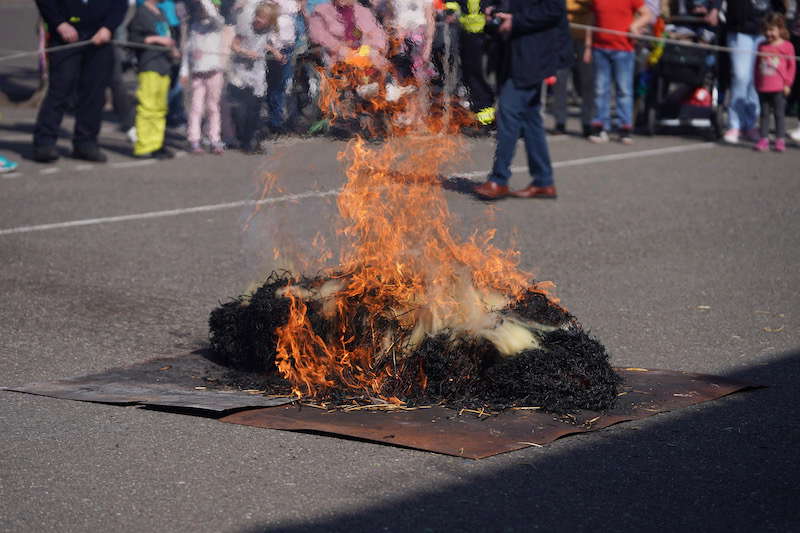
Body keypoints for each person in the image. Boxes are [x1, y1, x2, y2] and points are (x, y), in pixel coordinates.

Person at [473, 0, 573, 200]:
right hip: (511, 52)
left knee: (508, 112)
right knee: (531, 119)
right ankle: (543, 181)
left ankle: (499, 179)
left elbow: (553, 9)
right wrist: (491, 9)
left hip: (533, 54)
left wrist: (516, 20)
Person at [32, 0, 128, 163]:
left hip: (100, 38)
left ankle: (86, 143)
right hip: (66, 37)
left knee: (94, 93)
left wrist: (108, 27)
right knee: (60, 90)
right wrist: (59, 23)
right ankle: (44, 143)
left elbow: (120, 4)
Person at [585, 0, 652, 144]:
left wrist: (635, 25)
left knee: (624, 90)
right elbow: (591, 20)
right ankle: (600, 126)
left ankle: (625, 128)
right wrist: (588, 45)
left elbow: (647, 14)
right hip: (600, 49)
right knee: (601, 89)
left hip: (623, 50)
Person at [721, 0, 785, 144]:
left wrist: (776, 24)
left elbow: (780, 6)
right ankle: (735, 124)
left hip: (765, 32)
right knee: (741, 76)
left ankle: (751, 124)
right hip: (740, 31)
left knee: (759, 77)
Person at [129, 0, 180, 158]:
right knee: (147, 106)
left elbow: (167, 35)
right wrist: (154, 40)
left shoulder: (161, 12)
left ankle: (157, 144)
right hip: (149, 65)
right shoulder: (141, 13)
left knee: (160, 108)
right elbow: (132, 38)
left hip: (164, 65)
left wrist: (172, 48)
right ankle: (144, 146)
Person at [180, 0, 227, 154]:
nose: (201, 10)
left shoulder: (216, 24)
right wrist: (184, 71)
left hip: (214, 72)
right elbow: (188, 51)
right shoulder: (194, 26)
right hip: (198, 73)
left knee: (213, 107)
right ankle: (194, 139)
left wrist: (206, 2)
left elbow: (214, 16)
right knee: (196, 107)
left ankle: (214, 139)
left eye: (203, 8)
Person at [228, 0, 272, 152]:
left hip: (258, 72)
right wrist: (247, 53)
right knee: (245, 108)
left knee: (256, 107)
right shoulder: (246, 27)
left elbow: (263, 43)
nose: (258, 20)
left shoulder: (268, 29)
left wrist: (276, 52)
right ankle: (246, 141)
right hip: (242, 72)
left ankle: (253, 138)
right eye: (258, 16)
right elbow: (234, 45)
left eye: (263, 18)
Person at [753, 13, 796, 152]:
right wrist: (756, 82)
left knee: (779, 114)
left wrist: (787, 84)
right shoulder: (761, 46)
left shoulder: (787, 46)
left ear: (780, 29)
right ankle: (764, 138)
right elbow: (756, 66)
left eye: (772, 30)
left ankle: (780, 139)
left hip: (779, 88)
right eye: (766, 30)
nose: (768, 33)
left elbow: (791, 66)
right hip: (763, 87)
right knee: (764, 114)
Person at [551, 0, 594, 136]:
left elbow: (593, 4)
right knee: (560, 80)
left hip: (586, 38)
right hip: (562, 37)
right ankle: (560, 121)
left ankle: (587, 122)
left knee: (588, 82)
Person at [307, 0, 387, 66]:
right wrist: (341, 49)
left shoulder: (362, 12)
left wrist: (367, 49)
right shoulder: (321, 12)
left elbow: (378, 36)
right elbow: (319, 36)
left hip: (363, 57)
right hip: (333, 61)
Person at [265, 0, 301, 136]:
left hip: (290, 46)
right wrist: (274, 50)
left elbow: (295, 11)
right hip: (275, 48)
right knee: (276, 86)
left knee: (287, 85)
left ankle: (287, 120)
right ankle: (276, 122)